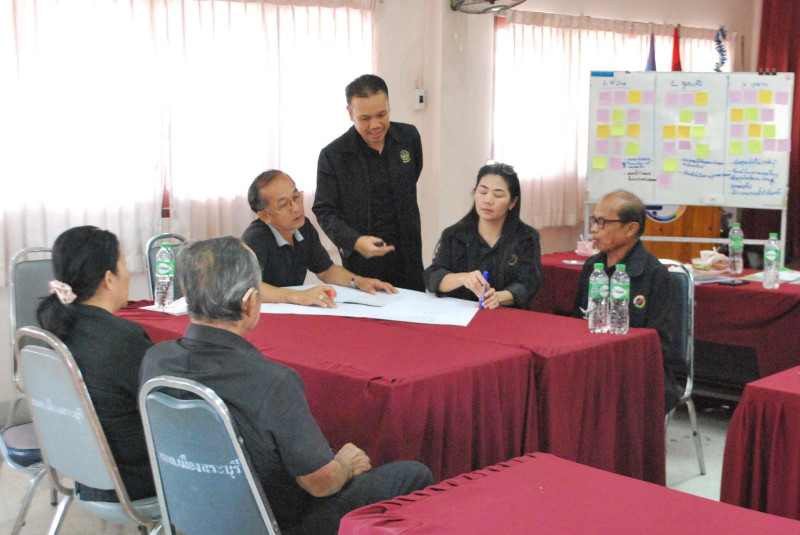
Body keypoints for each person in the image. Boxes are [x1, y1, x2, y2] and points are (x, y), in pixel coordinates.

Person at [140, 237, 433, 534]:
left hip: (191, 512)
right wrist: (345, 464)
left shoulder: (155, 361)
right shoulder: (271, 380)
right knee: (413, 474)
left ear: (187, 291)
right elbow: (320, 484)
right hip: (276, 523)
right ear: (250, 302)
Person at [35, 226, 155, 501]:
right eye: (124, 263)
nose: (127, 272)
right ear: (109, 279)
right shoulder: (122, 338)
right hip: (133, 480)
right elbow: (163, 407)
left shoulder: (54, 328)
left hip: (83, 470)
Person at [571, 190, 682, 412]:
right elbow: (576, 322)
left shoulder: (655, 275)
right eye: (594, 221)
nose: (593, 229)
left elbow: (659, 345)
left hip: (636, 370)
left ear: (630, 229)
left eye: (602, 222)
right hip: (592, 361)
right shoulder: (592, 267)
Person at [314, 74, 424, 291]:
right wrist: (355, 241)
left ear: (389, 106)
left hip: (408, 255)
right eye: (365, 118)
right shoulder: (334, 155)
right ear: (350, 113)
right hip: (363, 262)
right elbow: (324, 211)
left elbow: (412, 176)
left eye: (381, 115)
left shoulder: (408, 137)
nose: (375, 125)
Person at [242, 170, 397, 308]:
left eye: (296, 197)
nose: (296, 208)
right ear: (264, 215)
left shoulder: (303, 227)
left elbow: (326, 270)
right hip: (260, 316)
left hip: (290, 311)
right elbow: (248, 287)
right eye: (284, 205)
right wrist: (298, 296)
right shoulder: (255, 238)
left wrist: (358, 281)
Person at [424, 162, 543, 309]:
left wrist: (500, 297)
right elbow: (432, 276)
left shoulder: (526, 237)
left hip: (506, 315)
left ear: (512, 202)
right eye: (482, 192)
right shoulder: (454, 235)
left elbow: (530, 282)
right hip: (461, 313)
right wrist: (463, 278)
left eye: (498, 195)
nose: (488, 200)